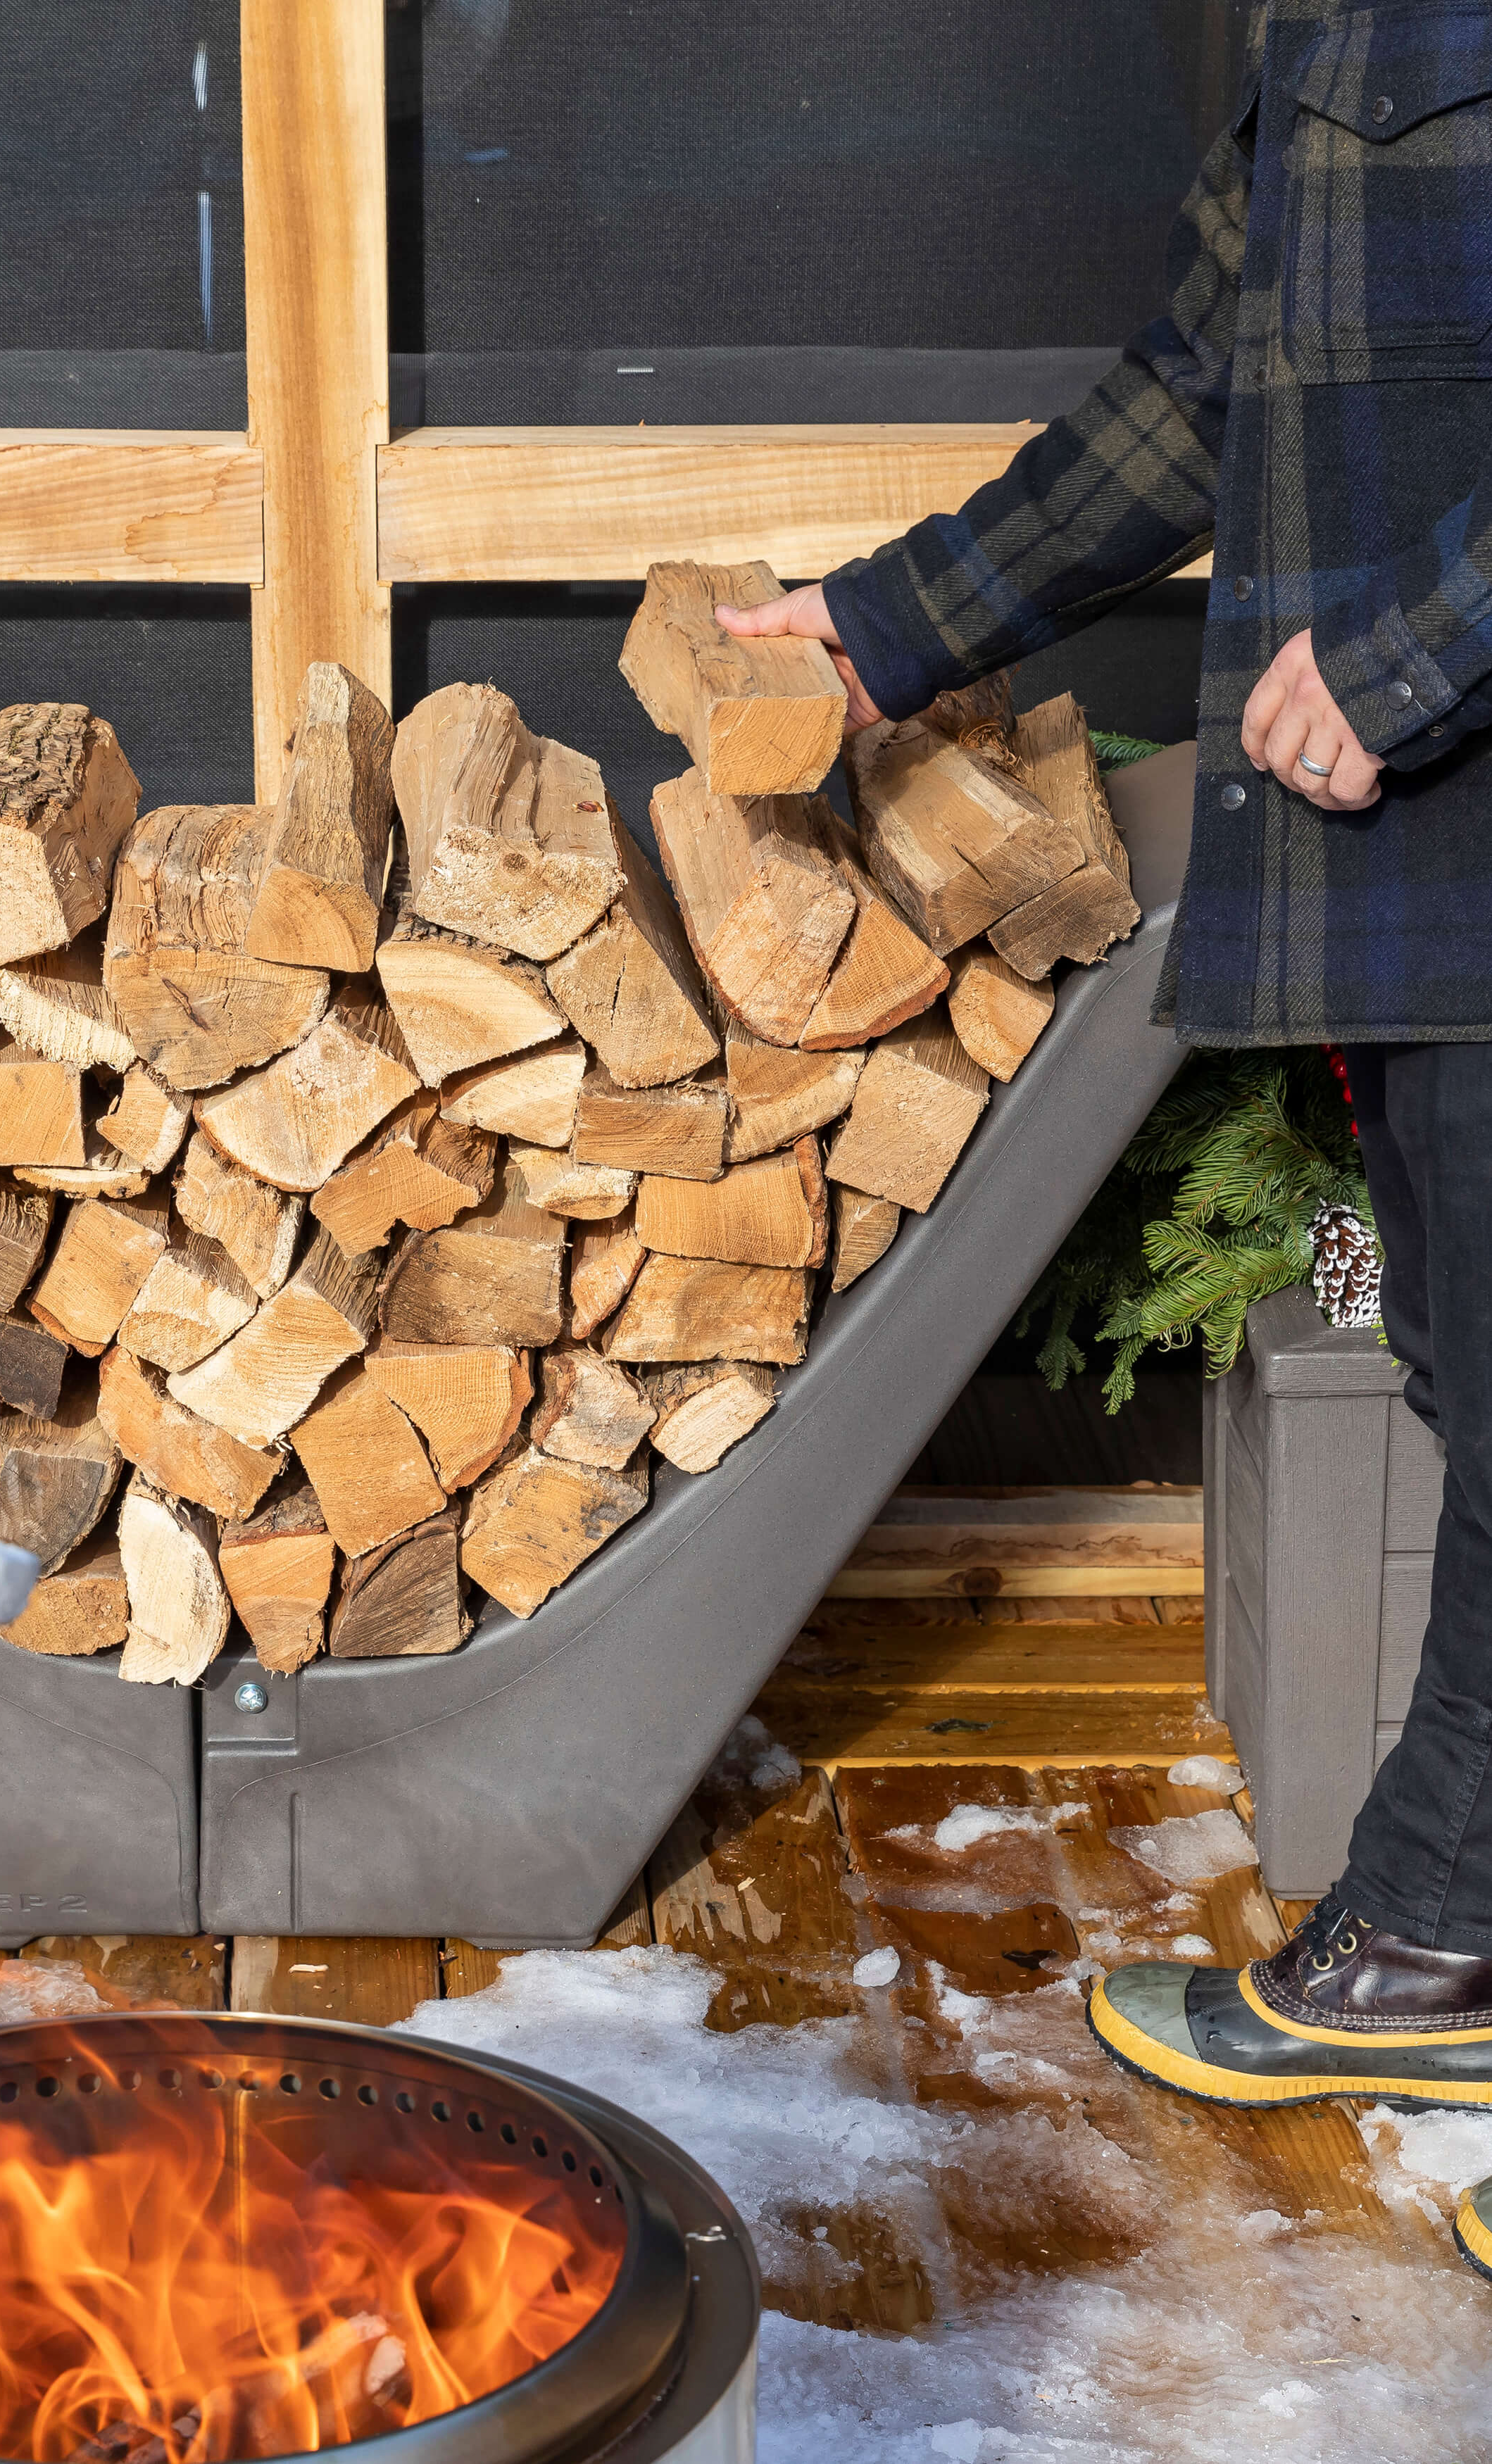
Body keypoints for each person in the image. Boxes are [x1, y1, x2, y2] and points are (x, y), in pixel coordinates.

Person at [722, 0, 1492, 2270]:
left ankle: (1429, 1942)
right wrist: (884, 628)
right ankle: (1437, 1950)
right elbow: (1209, 385)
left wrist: (1418, 655)